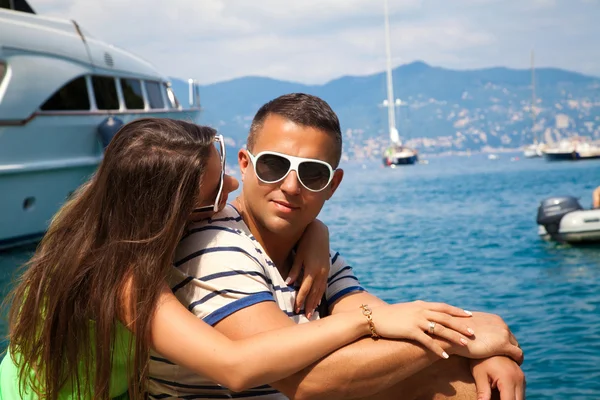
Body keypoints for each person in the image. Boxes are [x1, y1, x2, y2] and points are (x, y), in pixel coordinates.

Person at [0, 118, 478, 400]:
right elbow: (234, 367)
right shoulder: (119, 276)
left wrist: (314, 229)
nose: (231, 187)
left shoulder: (111, 230)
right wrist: (366, 321)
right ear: (171, 214)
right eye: (215, 190)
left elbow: (265, 214)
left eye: (224, 168)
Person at [149, 94, 525, 400]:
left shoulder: (317, 256)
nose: (292, 186)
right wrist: (463, 336)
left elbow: (390, 322)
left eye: (313, 173)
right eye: (274, 165)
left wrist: (486, 355)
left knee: (473, 383)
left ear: (333, 185)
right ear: (245, 165)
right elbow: (304, 382)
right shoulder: (213, 245)